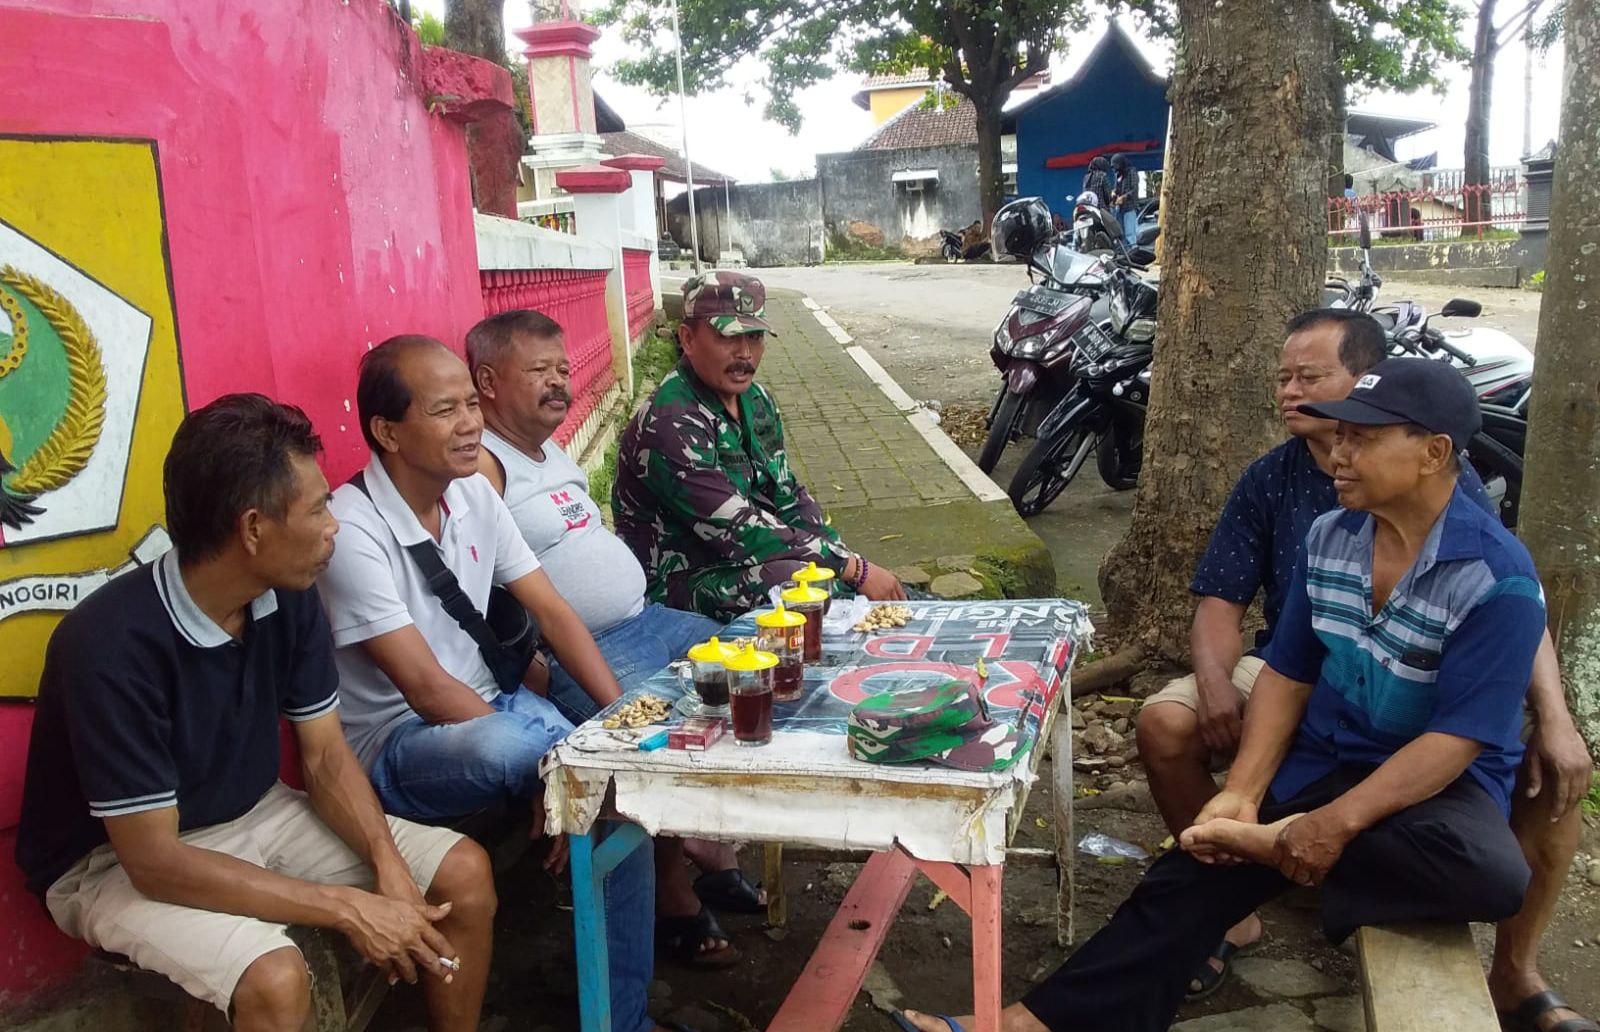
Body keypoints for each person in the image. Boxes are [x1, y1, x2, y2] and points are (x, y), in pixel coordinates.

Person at [901, 358, 1548, 1032]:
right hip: (1336, 753)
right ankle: (1027, 1024)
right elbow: (1288, 673)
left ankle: (1271, 848)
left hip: (1436, 788)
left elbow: (1454, 741)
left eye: (1364, 439)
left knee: (1489, 875)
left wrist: (1322, 829)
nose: (1340, 455)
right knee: (1195, 866)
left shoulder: (1496, 577)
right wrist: (1242, 791)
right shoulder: (1333, 538)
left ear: (1434, 453)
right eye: (1341, 436)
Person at [1135, 310, 1593, 1024]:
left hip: (1412, 673)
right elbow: (1224, 603)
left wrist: (1557, 715)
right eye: (1284, 378)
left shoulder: (1440, 484)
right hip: (1301, 658)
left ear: (1365, 382)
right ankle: (1233, 897)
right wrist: (1219, 689)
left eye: (1311, 377)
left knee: (1551, 773)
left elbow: (1504, 599)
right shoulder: (1273, 480)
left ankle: (1515, 969)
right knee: (1167, 722)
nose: (1292, 392)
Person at [15, 394, 494, 1032]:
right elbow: (154, 862)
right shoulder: (107, 645)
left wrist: (387, 863)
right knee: (274, 979)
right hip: (111, 861)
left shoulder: (286, 592)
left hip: (257, 810)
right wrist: (348, 908)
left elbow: (325, 758)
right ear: (252, 529)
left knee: (462, 874)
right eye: (318, 508)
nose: (334, 526)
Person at [315, 335, 665, 1032]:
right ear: (387, 431)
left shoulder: (473, 492)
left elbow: (554, 612)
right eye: (445, 410)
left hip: (498, 708)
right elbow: (423, 688)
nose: (471, 424)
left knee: (617, 787)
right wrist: (552, 765)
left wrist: (622, 718)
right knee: (521, 751)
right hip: (401, 743)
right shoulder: (352, 529)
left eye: (472, 405)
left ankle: (621, 1018)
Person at [465, 308, 764, 965]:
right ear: (487, 382)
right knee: (666, 733)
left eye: (562, 368)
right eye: (539, 370)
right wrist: (531, 665)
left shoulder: (547, 451)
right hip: (591, 649)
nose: (559, 382)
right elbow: (470, 590)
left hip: (647, 618)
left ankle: (704, 840)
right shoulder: (483, 467)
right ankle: (673, 896)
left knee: (754, 665)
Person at [612, 272, 906, 621]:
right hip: (678, 582)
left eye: (754, 336)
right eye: (728, 337)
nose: (745, 353)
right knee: (795, 583)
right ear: (687, 339)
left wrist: (842, 558)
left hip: (740, 562)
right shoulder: (671, 420)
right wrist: (852, 568)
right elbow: (739, 528)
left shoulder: (757, 400)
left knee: (826, 578)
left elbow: (787, 494)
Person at [1110, 154, 1138, 247]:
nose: (1115, 169)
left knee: (1130, 235)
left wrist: (1124, 197)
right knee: (1120, 235)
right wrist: (1113, 193)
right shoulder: (1117, 175)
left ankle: (1134, 252)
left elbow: (1134, 189)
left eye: (1116, 166)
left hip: (1129, 208)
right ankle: (1124, 253)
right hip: (1119, 208)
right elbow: (1116, 188)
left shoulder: (1131, 172)